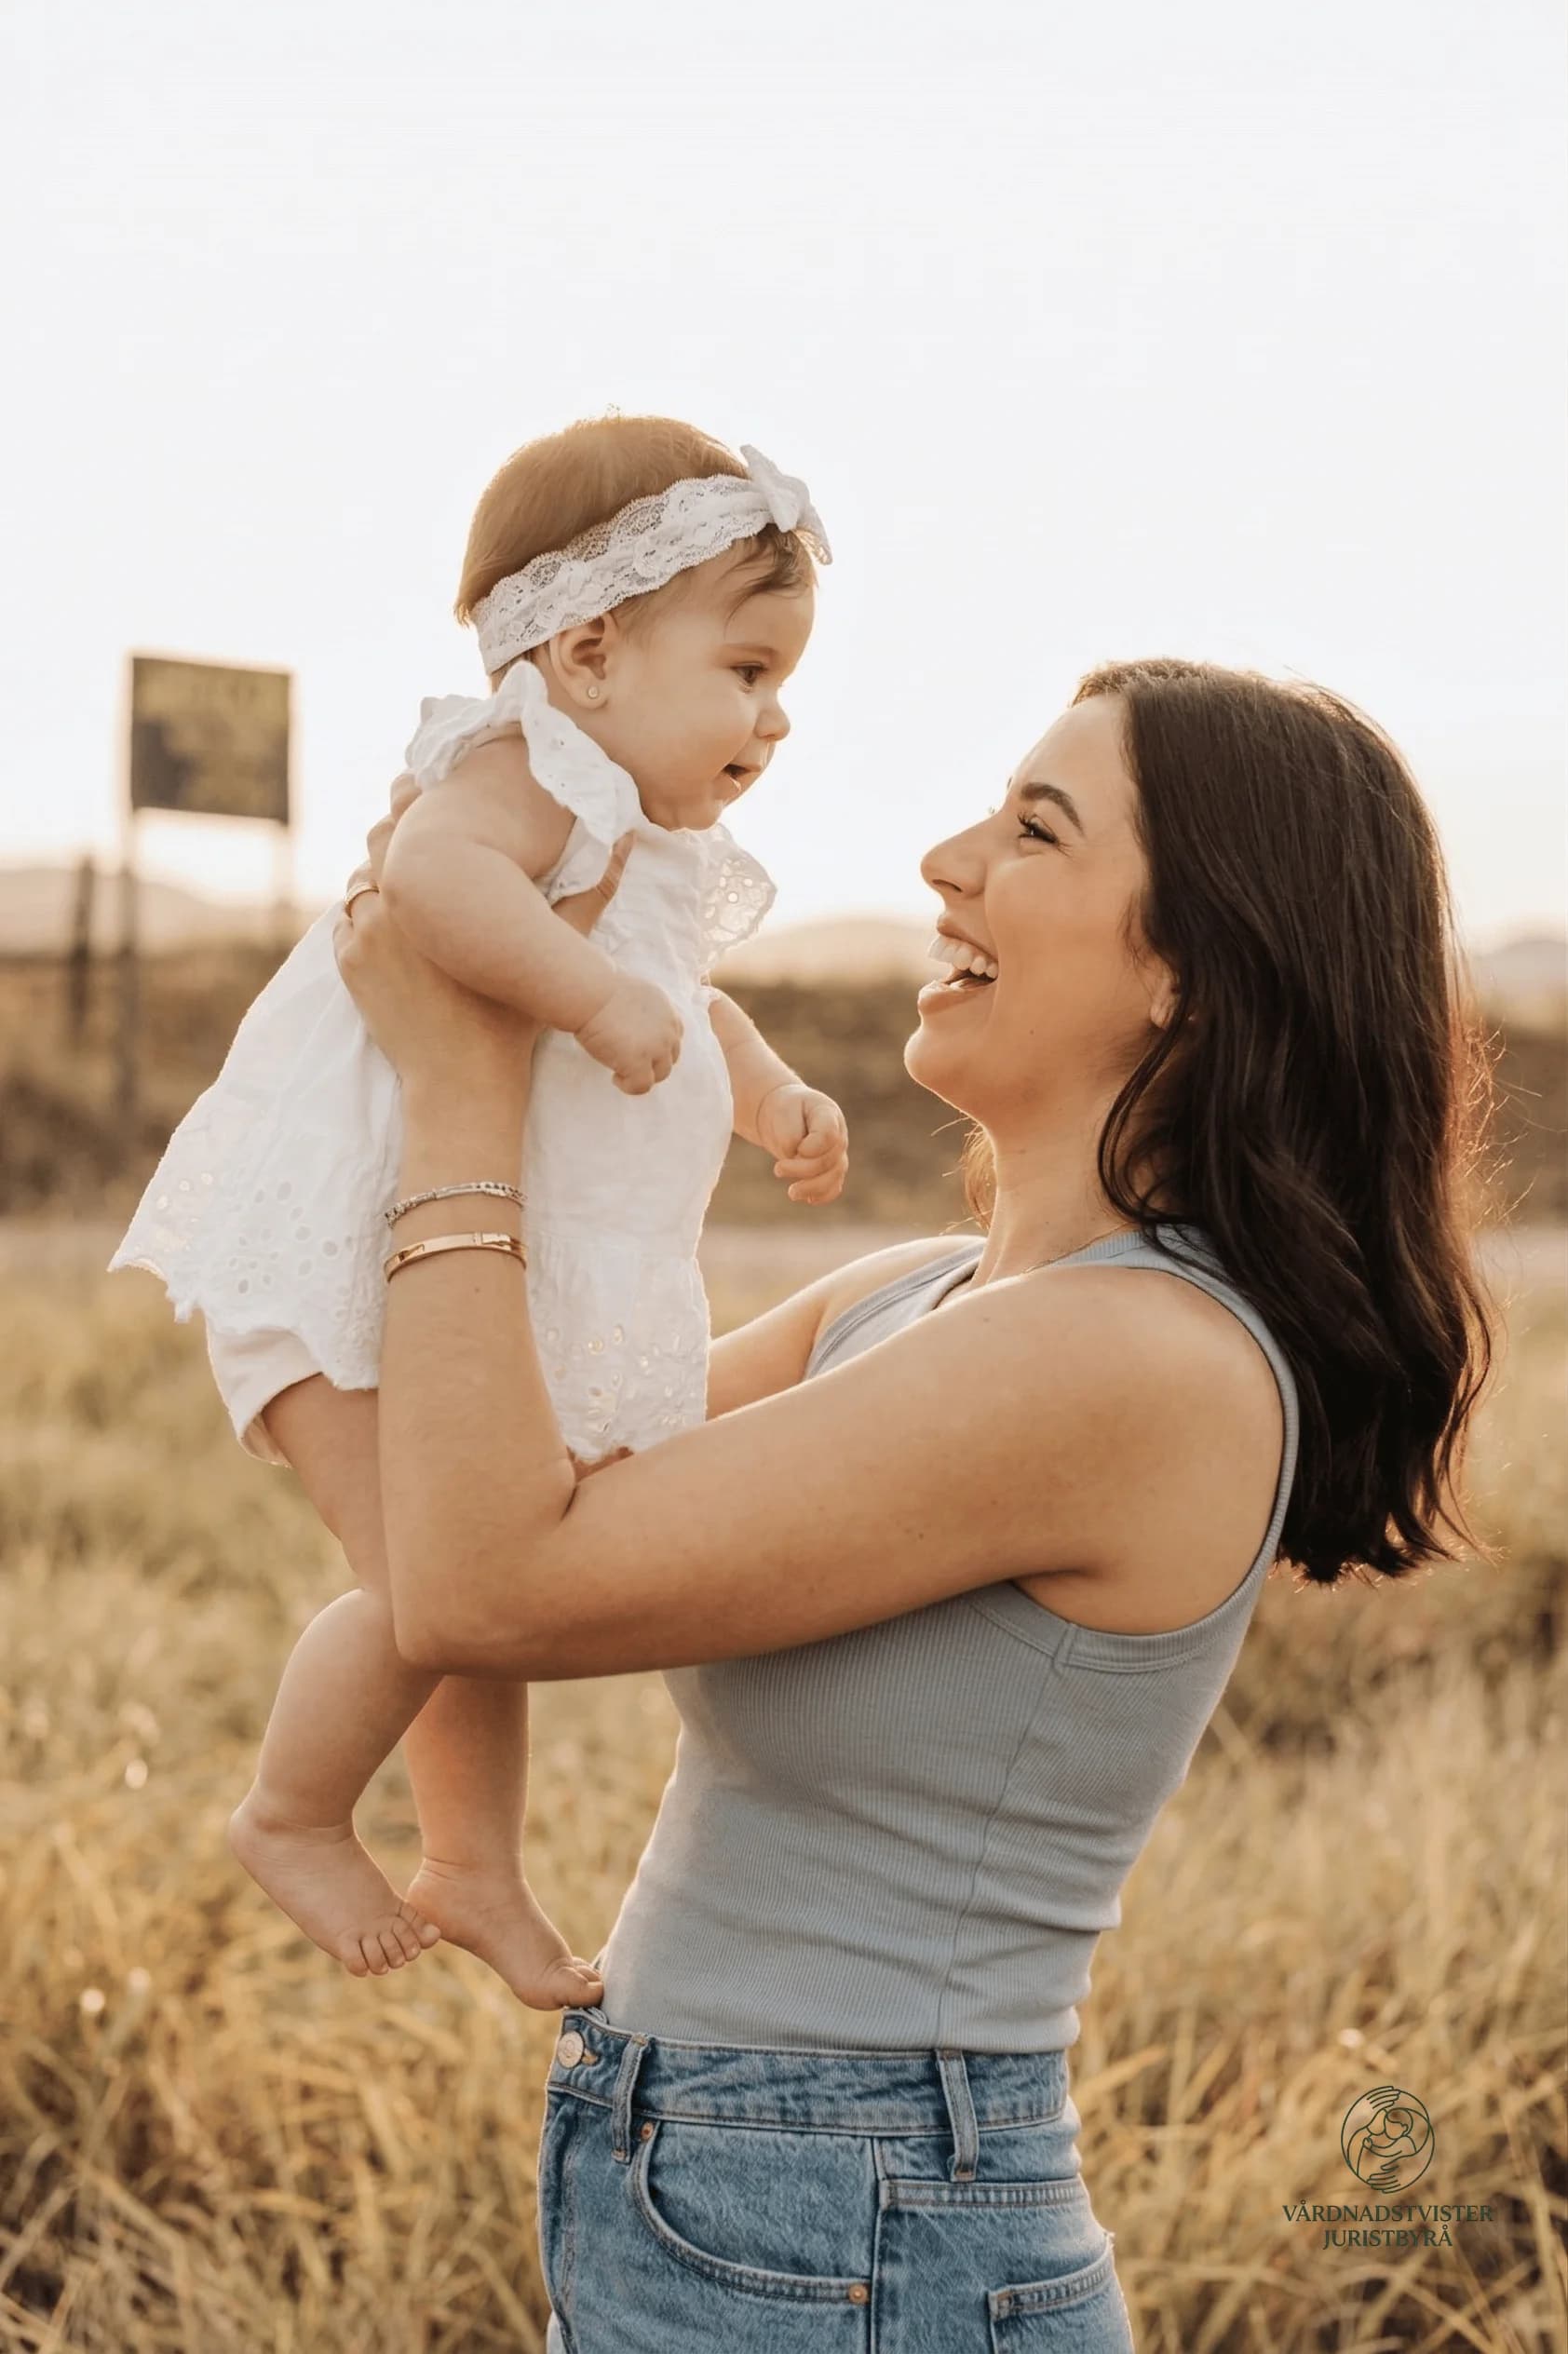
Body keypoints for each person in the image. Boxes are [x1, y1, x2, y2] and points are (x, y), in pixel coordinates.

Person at [332, 658, 1494, 2350]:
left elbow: (483, 1588)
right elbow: (441, 1494)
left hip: (856, 2216)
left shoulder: (1133, 1358)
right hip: (728, 2178)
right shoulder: (906, 1299)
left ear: (1187, 968)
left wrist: (464, 1085)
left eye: (1034, 829)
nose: (947, 860)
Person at [108, 417, 846, 2007]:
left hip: (430, 1268)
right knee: (431, 1586)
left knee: (472, 1592)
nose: (773, 719)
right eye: (746, 671)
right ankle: (293, 1812)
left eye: (783, 682)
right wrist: (580, 996)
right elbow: (435, 887)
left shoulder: (631, 829)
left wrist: (768, 1081)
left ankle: (470, 1868)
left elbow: (678, 999)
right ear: (585, 653)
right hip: (338, 1252)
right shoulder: (523, 772)